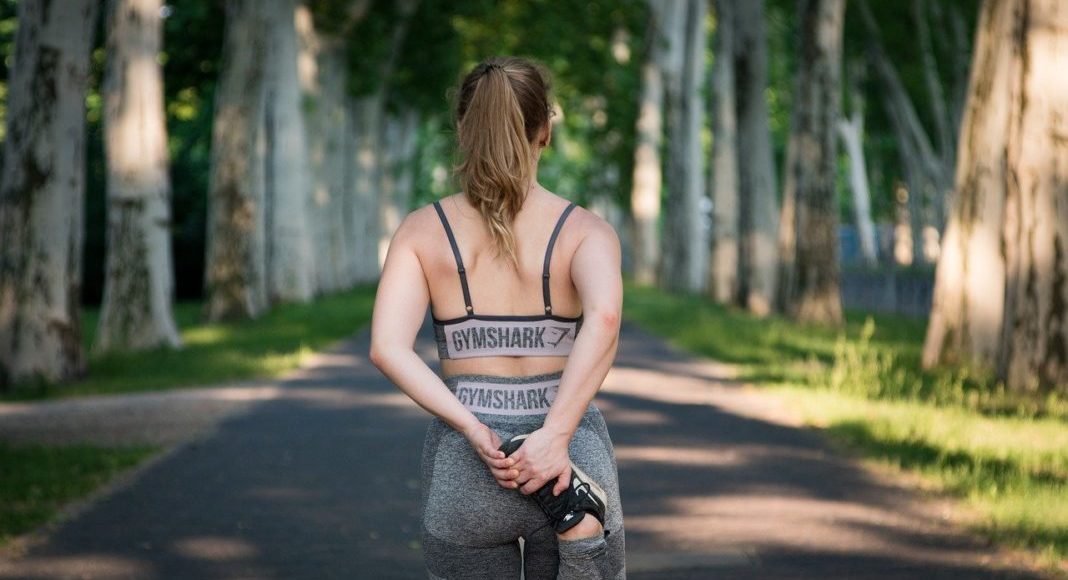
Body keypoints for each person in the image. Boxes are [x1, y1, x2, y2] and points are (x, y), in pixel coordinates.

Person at [369, 56, 625, 579]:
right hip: (569, 468)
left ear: (464, 128)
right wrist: (554, 436)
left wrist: (471, 426)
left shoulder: (421, 232)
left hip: (468, 469)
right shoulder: (586, 232)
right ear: (545, 131)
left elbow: (387, 348)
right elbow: (603, 320)